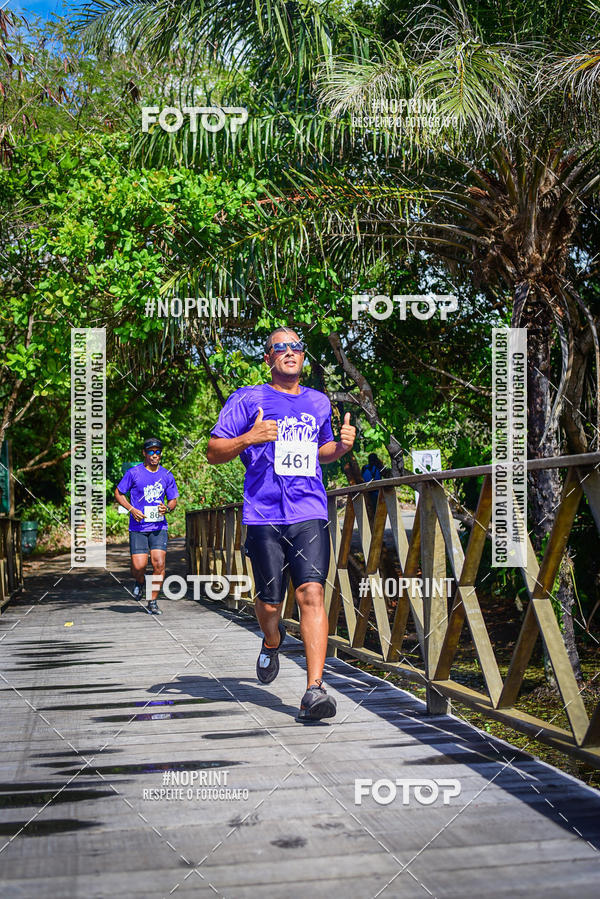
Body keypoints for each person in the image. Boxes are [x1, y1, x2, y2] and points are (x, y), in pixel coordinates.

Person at [207, 326, 356, 721]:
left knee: (312, 593)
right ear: (269, 358)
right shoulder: (247, 399)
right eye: (280, 348)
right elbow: (213, 450)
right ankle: (272, 640)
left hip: (309, 510)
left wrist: (339, 448)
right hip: (263, 512)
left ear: (304, 357)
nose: (290, 352)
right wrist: (249, 438)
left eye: (296, 347)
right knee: (270, 602)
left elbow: (319, 451)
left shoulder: (319, 402)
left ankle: (314, 689)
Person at [114, 438, 179, 615]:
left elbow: (173, 500)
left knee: (159, 564)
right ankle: (140, 581)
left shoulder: (166, 475)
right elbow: (118, 493)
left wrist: (168, 508)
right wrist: (131, 509)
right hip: (138, 527)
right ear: (144, 453)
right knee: (139, 566)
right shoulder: (134, 473)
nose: (155, 455)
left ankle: (153, 601)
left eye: (158, 452)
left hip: (159, 527)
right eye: (151, 451)